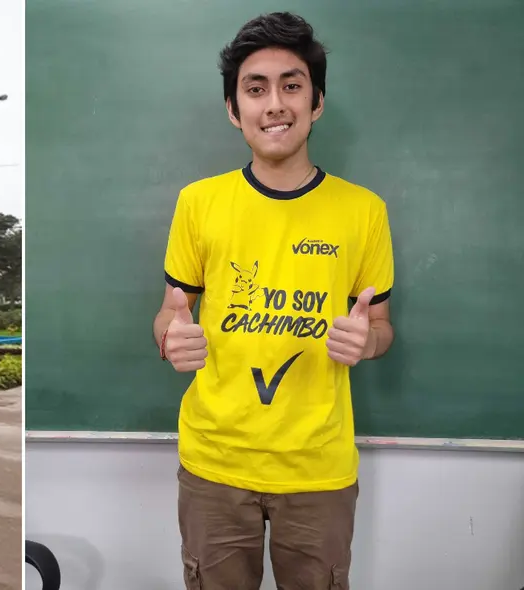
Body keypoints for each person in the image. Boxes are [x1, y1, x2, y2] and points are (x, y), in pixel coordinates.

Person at [153, 11, 395, 590]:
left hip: (319, 469)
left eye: (292, 85)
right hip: (214, 464)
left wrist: (368, 342)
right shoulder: (198, 203)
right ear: (235, 111)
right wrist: (169, 337)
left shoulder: (364, 211)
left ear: (316, 102)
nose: (275, 104)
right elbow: (169, 313)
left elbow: (382, 327)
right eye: (255, 89)